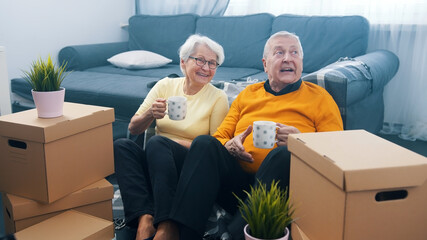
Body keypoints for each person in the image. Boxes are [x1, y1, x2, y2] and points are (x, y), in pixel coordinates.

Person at [167, 31, 344, 239]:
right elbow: (219, 137)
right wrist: (229, 146)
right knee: (204, 143)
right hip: (239, 184)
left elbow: (337, 152)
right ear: (265, 64)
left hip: (285, 190)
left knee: (282, 155)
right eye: (279, 52)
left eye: (294, 52)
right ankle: (186, 234)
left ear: (301, 62)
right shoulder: (248, 95)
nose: (288, 58)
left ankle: (234, 234)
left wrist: (301, 142)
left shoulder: (320, 98)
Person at [113, 34, 229, 240]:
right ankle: (144, 219)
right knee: (122, 146)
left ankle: (167, 226)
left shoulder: (217, 97)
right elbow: (134, 127)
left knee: (158, 143)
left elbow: (215, 147)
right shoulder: (165, 85)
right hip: (155, 161)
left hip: (187, 165)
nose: (206, 67)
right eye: (200, 60)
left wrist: (173, 144)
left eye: (212, 63)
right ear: (183, 62)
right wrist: (150, 114)